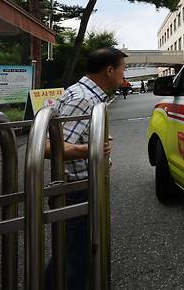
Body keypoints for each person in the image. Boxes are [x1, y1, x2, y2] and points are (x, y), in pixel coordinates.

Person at [44, 47, 126, 290]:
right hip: (75, 189)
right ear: (109, 70)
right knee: (73, 259)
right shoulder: (84, 99)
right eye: (122, 70)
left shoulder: (87, 94)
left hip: (80, 186)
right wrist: (90, 149)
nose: (124, 76)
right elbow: (49, 147)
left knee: (77, 254)